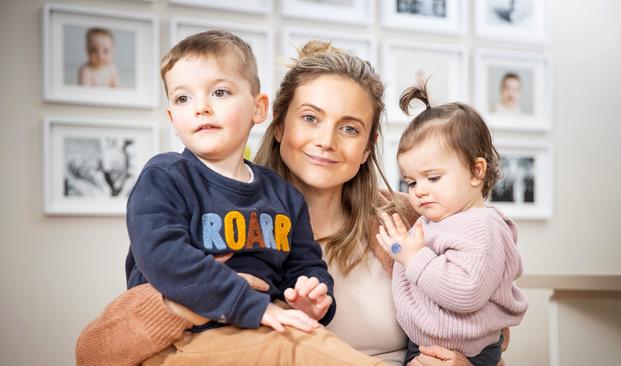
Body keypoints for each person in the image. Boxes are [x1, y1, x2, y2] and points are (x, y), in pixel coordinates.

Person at [76, 40, 503, 366]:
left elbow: (489, 323)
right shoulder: (216, 217)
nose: (326, 141)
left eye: (349, 128)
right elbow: (93, 353)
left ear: (369, 146)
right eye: (311, 118)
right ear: (278, 124)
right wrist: (181, 306)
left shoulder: (411, 220)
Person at [375, 83, 528, 365]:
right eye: (411, 181)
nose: (419, 190)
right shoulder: (440, 219)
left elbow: (465, 292)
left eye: (432, 178)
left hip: (469, 352)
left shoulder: (482, 227)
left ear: (475, 171)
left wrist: (413, 256)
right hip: (427, 342)